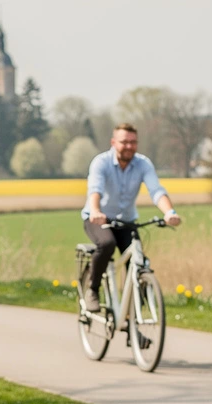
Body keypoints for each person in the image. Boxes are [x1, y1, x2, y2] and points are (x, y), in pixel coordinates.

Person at [80, 122, 181, 313]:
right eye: (124, 142)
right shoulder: (101, 162)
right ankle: (92, 290)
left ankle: (133, 320)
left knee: (138, 261)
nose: (129, 146)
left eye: (133, 142)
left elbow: (156, 191)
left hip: (126, 222)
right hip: (98, 219)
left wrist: (169, 212)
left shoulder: (143, 164)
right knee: (107, 244)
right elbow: (95, 190)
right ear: (113, 142)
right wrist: (95, 210)